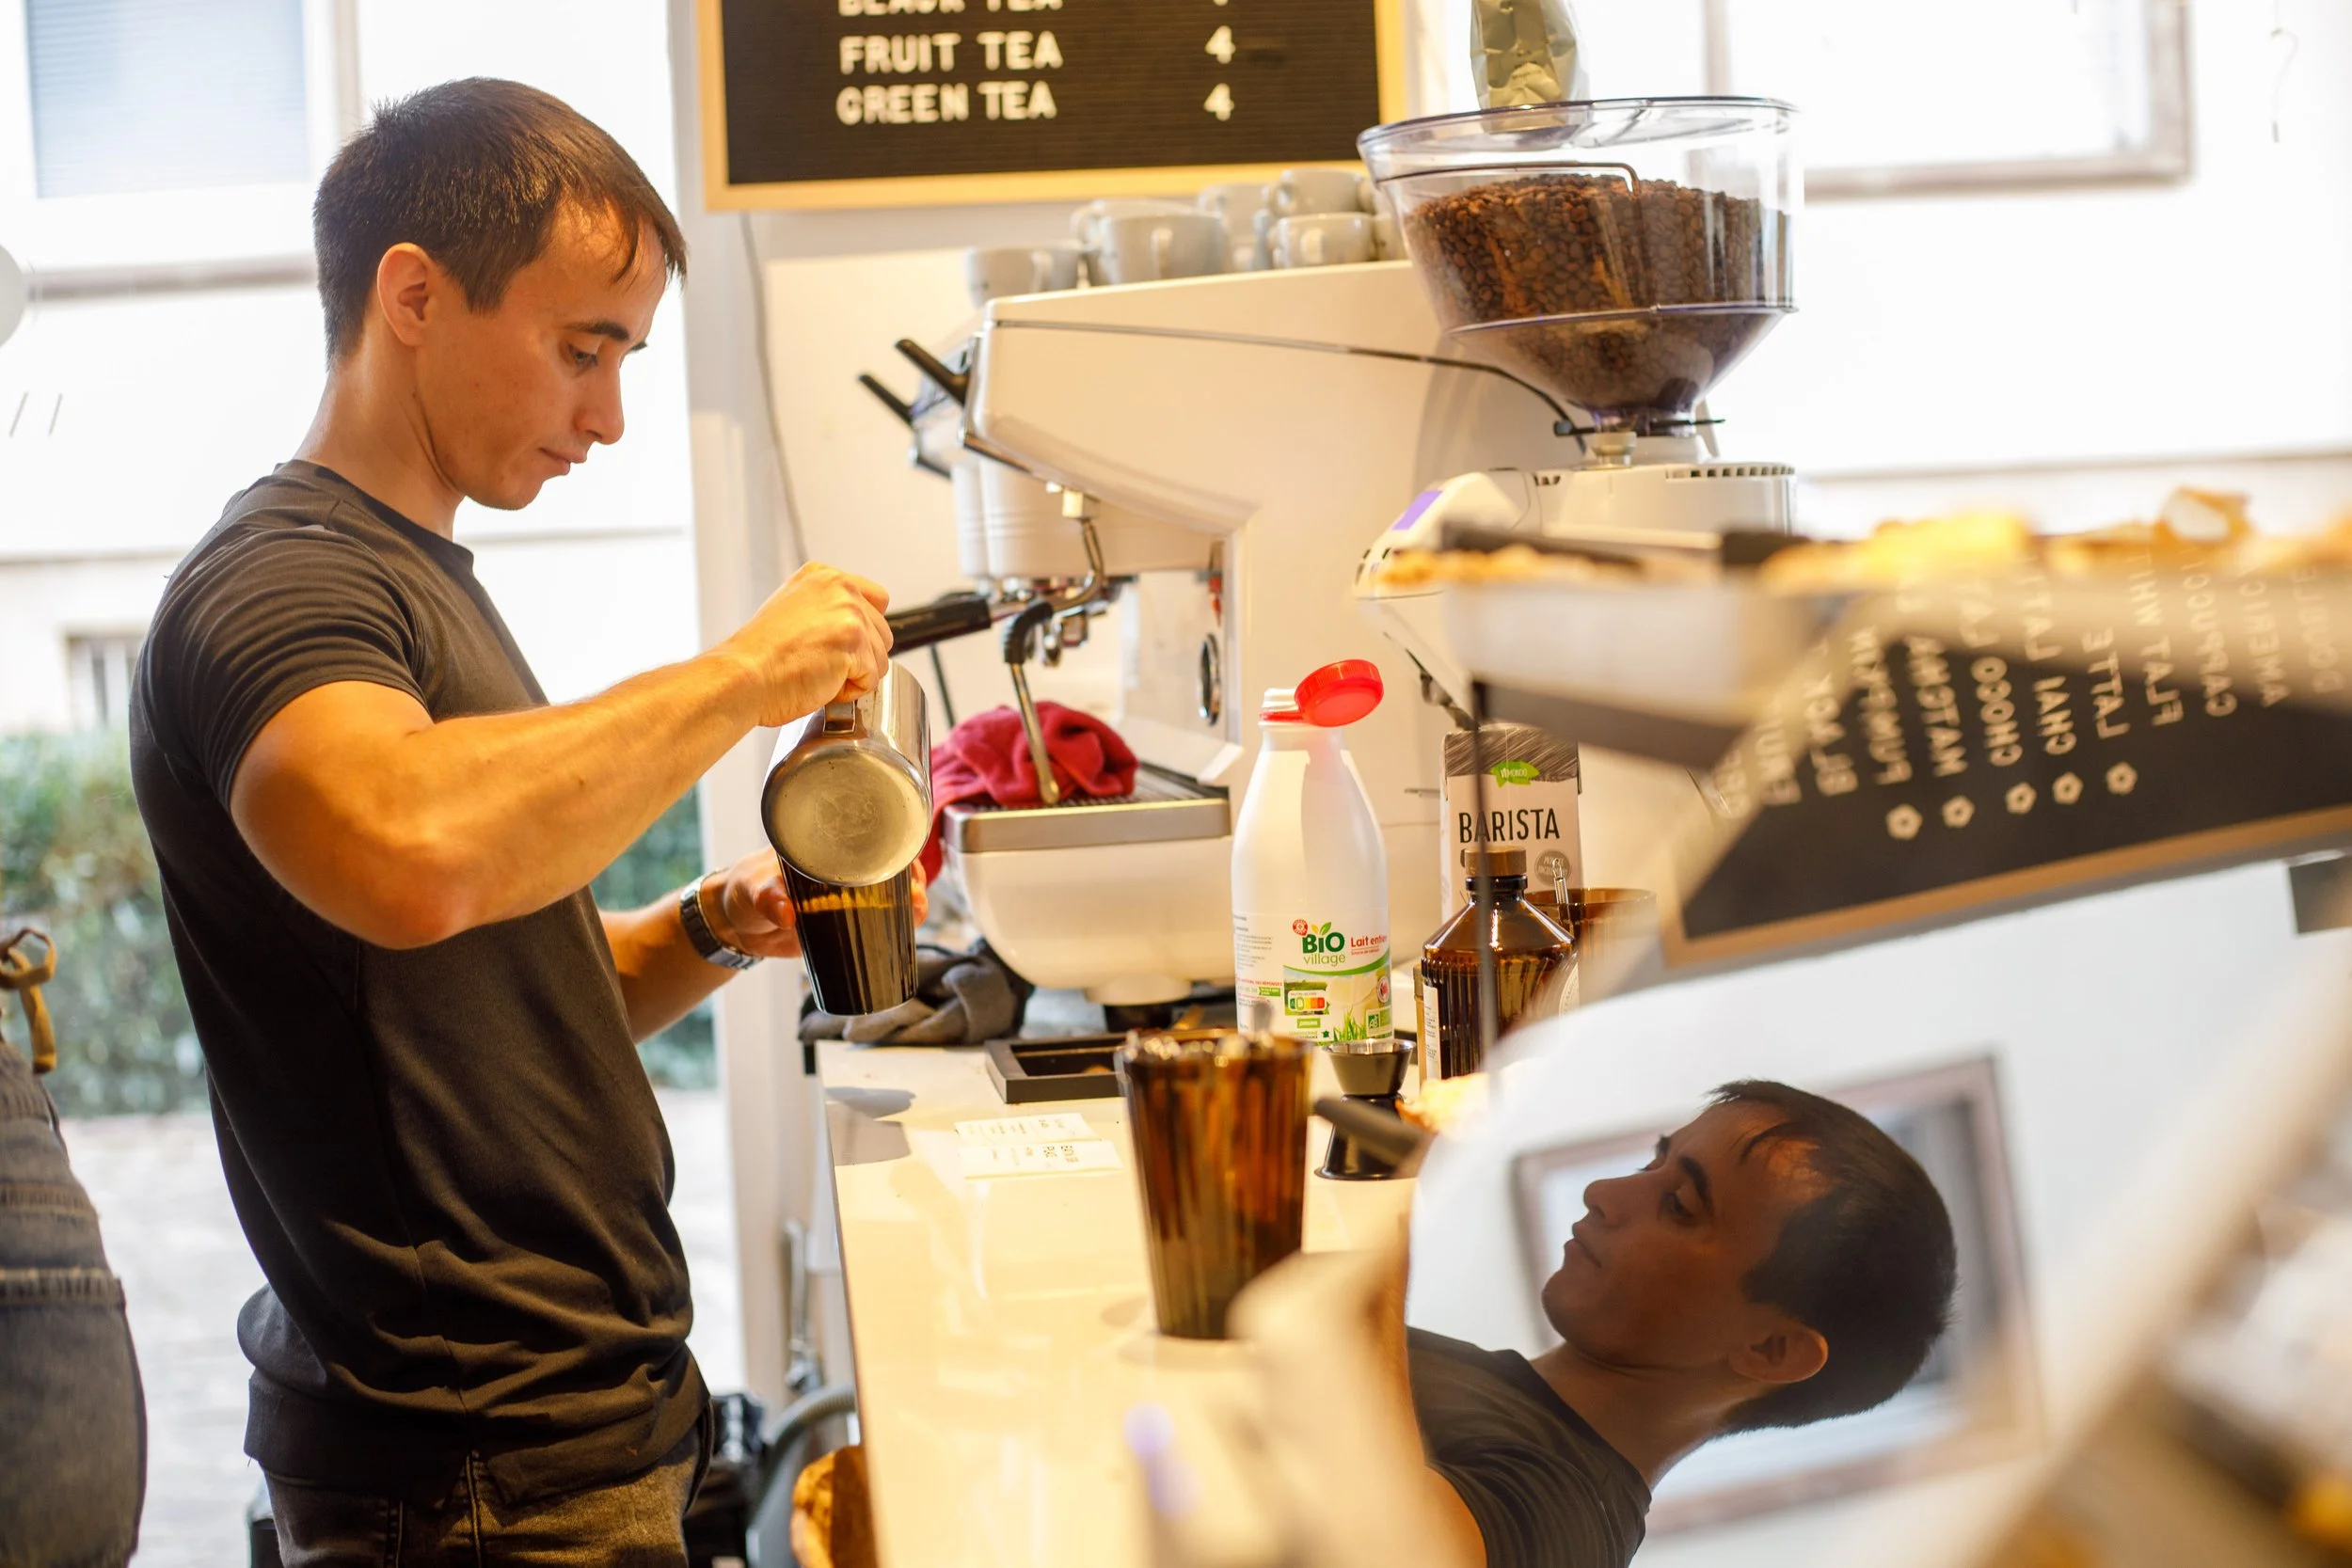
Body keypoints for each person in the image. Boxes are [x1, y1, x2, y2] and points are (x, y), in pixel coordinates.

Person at [127, 79, 906, 1563]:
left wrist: (705, 928)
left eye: (625, 359)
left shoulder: (420, 585)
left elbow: (503, 999)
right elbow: (411, 854)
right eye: (579, 350)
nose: (607, 415)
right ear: (412, 293)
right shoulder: (280, 584)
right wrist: (744, 675)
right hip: (465, 1470)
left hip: (566, 1432)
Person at [1392, 1080, 1960, 1568]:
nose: (1603, 1194)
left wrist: (1381, 1200)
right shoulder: (1484, 1389)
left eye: (1680, 1205)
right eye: (1651, 1163)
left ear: (1771, 1348)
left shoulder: (1564, 1516)